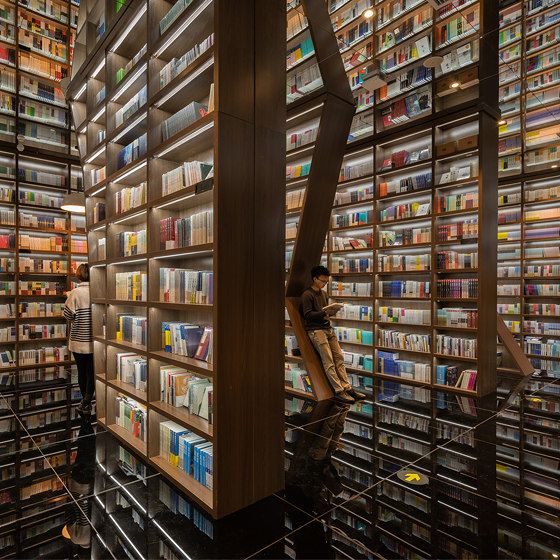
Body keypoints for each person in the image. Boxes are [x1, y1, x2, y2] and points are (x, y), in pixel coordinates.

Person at [301, 265, 366, 404]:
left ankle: (347, 387)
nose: (324, 284)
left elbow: (323, 312)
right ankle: (338, 390)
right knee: (328, 361)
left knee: (339, 357)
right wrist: (324, 312)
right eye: (322, 281)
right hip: (316, 330)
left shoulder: (324, 294)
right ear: (314, 279)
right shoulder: (307, 294)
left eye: (326, 282)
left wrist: (331, 311)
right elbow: (308, 315)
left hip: (327, 328)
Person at [65, 263, 94, 415]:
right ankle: (87, 401)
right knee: (92, 372)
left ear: (79, 275)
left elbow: (69, 316)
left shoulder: (75, 293)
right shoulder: (98, 291)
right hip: (94, 341)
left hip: (78, 340)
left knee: (81, 372)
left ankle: (86, 402)